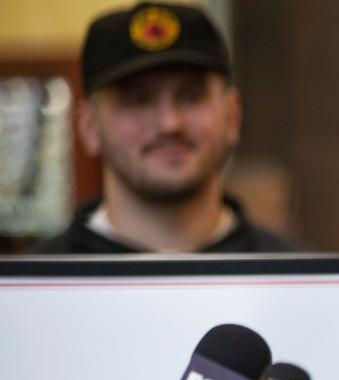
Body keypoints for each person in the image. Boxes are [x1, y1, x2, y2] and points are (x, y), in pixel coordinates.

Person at [27, 2, 300, 254]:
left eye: (191, 96)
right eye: (136, 100)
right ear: (89, 126)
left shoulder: (299, 284)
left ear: (232, 114)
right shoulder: (26, 293)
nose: (169, 123)